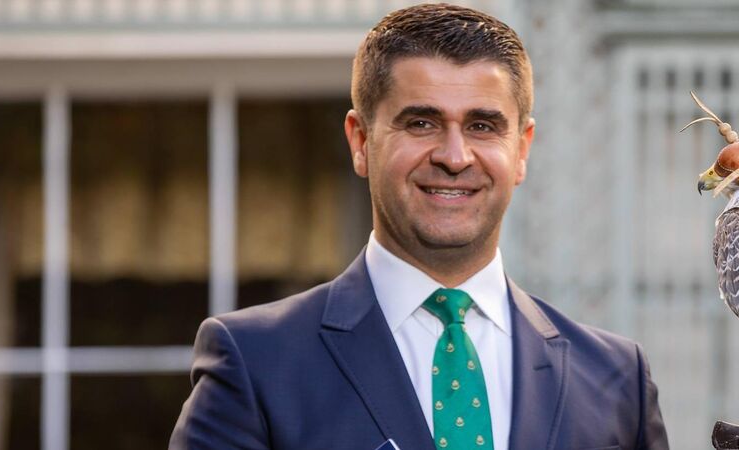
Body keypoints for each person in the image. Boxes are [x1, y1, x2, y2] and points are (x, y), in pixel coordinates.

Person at [169, 4, 669, 450]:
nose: (454, 156)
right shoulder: (257, 363)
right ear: (360, 141)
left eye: (482, 126)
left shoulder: (616, 378)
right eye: (421, 123)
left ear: (522, 149)